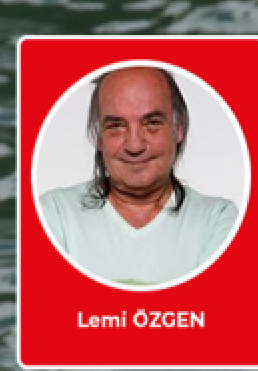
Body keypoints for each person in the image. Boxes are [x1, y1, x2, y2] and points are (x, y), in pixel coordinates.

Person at [39, 66, 238, 286]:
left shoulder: (217, 220)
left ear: (178, 130)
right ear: (98, 137)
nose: (134, 146)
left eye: (151, 123)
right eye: (116, 126)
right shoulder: (54, 214)